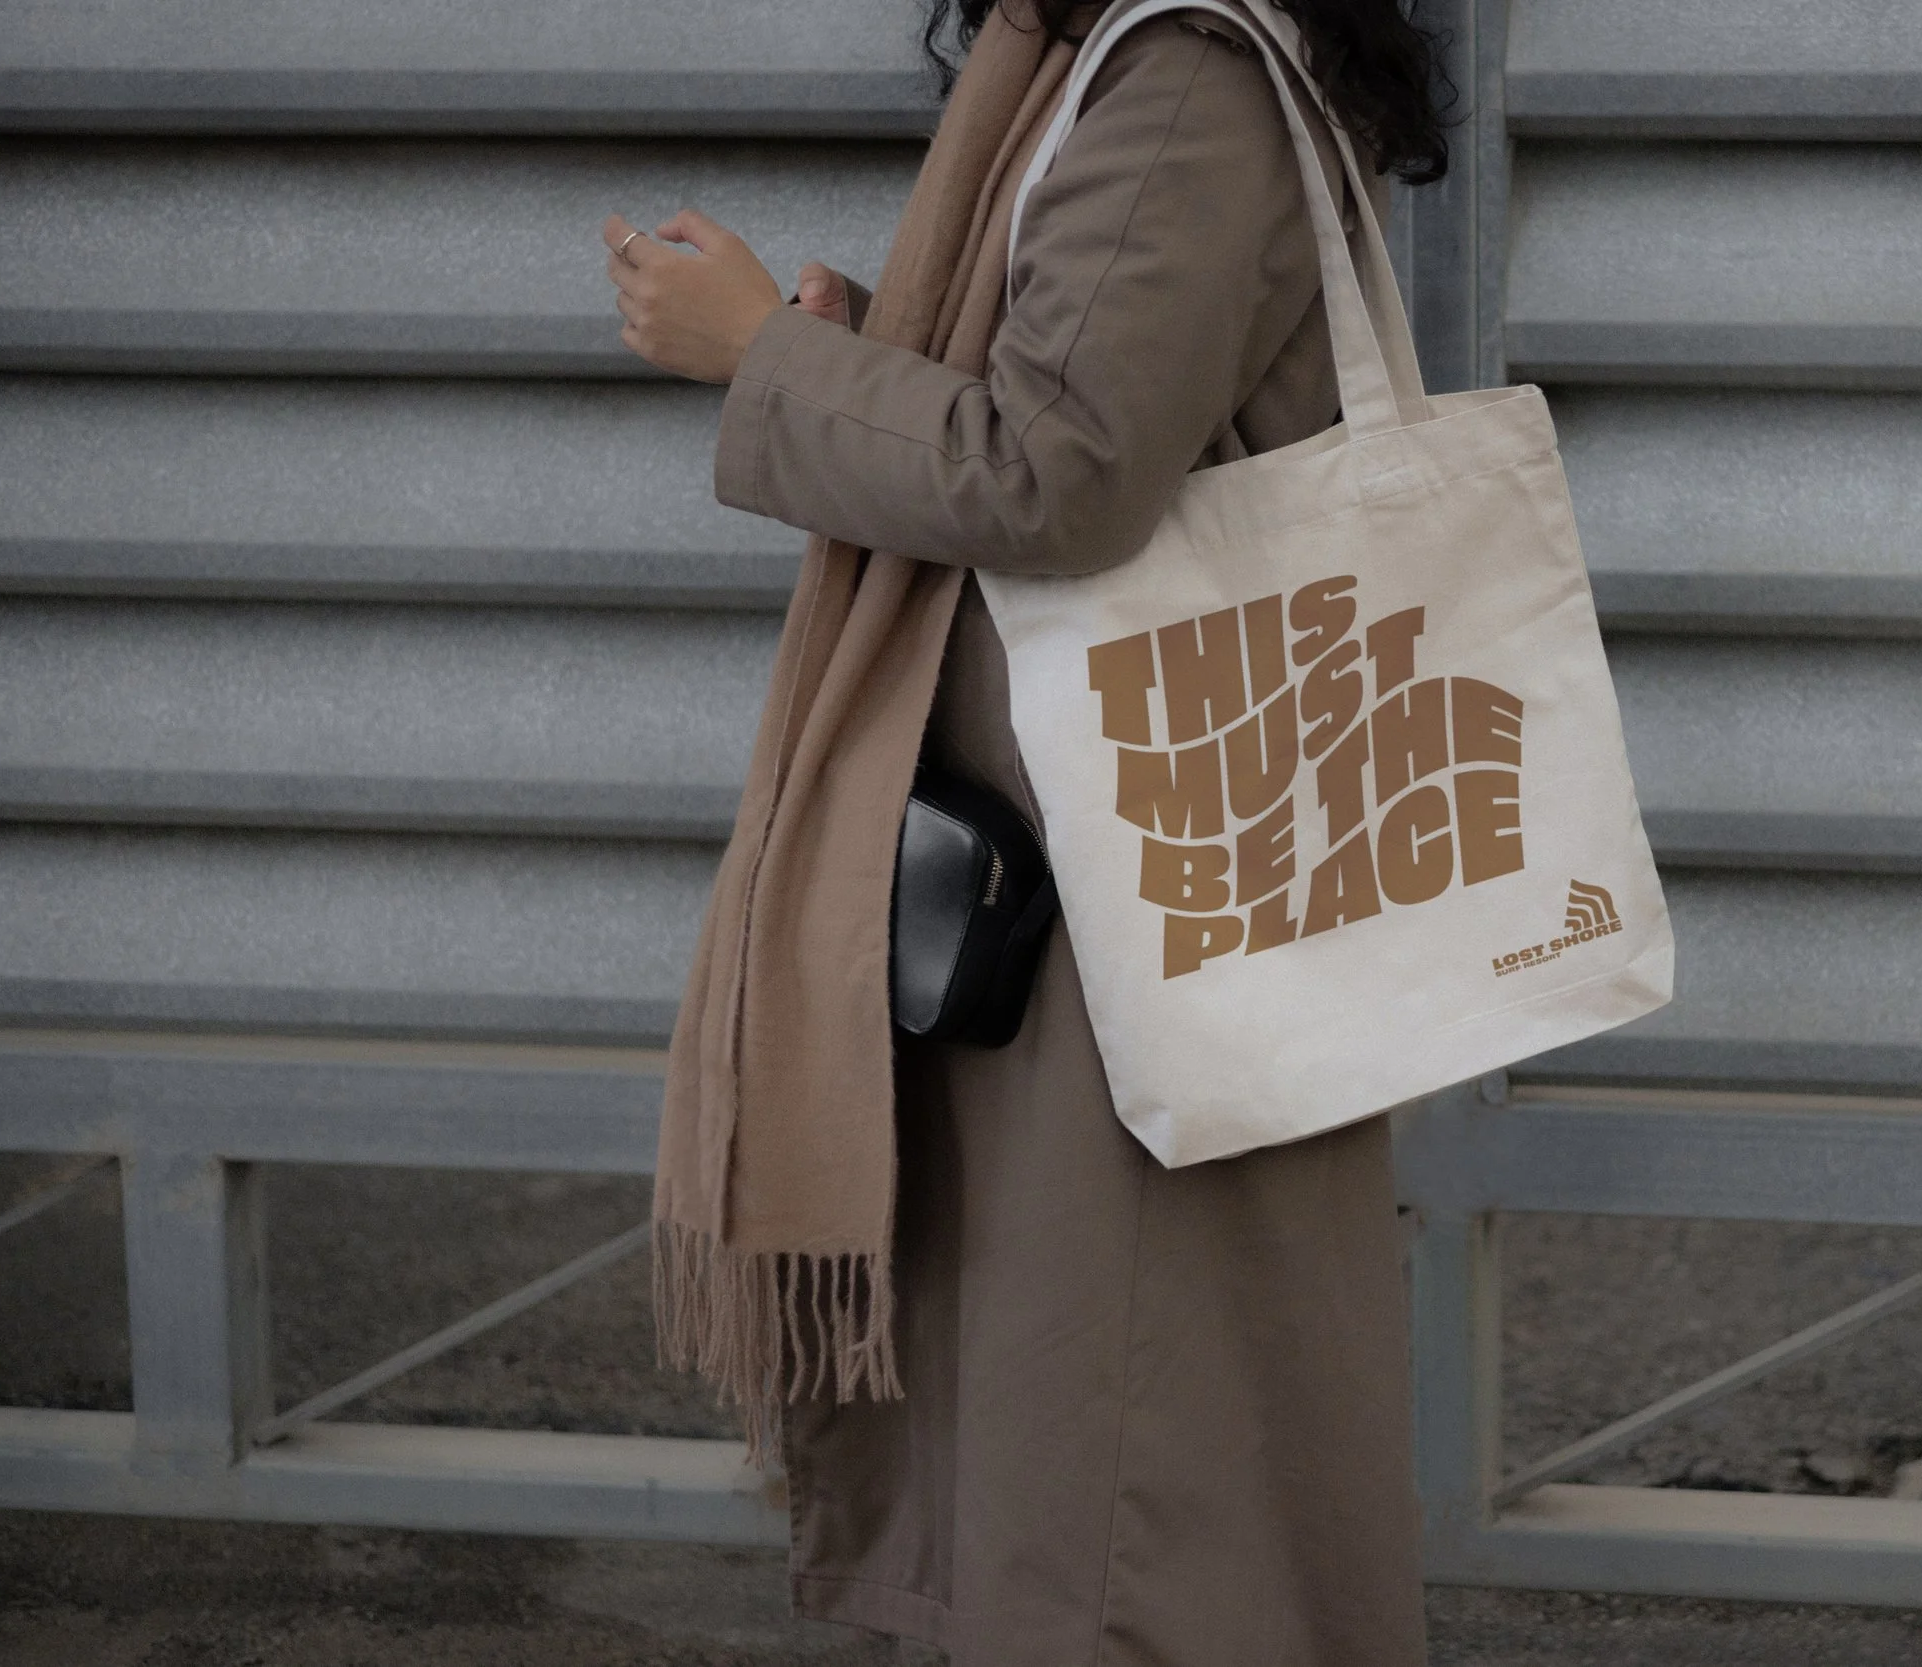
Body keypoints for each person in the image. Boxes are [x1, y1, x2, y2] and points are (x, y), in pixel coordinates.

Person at [601, 2, 1451, 1660]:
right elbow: (1075, 396)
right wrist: (840, 340)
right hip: (1108, 872)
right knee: (1114, 1435)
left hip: (1137, 894)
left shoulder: (1191, 72)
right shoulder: (1117, 53)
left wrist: (762, 356)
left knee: (1131, 1470)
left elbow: (1061, 474)